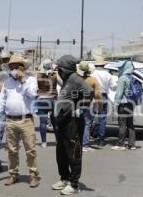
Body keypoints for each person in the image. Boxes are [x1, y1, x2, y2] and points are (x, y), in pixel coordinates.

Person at [0, 54, 40, 187]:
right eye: (11, 67)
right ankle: (13, 174)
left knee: (30, 149)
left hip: (26, 120)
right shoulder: (7, 83)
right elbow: (2, 101)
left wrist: (23, 81)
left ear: (22, 68)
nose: (13, 70)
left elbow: (33, 95)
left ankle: (33, 175)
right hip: (10, 121)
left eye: (16, 67)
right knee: (12, 150)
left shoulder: (30, 80)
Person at [52, 55, 93, 195]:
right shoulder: (66, 79)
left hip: (72, 122)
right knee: (61, 152)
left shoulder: (75, 78)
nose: (59, 71)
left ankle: (74, 184)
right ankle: (64, 178)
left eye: (60, 68)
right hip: (62, 121)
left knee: (73, 152)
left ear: (66, 68)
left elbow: (90, 92)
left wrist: (79, 108)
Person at [76, 61, 102, 152]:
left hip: (76, 105)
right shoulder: (93, 80)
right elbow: (98, 95)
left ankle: (77, 143)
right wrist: (100, 105)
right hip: (87, 105)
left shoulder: (75, 79)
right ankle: (85, 145)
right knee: (87, 124)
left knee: (77, 123)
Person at [111, 61, 137, 151]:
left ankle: (120, 144)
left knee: (122, 124)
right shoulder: (132, 77)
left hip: (123, 104)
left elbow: (119, 94)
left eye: (120, 68)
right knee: (130, 124)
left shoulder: (122, 78)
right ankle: (132, 144)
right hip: (131, 104)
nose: (119, 69)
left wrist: (115, 106)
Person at [91, 60, 117, 147]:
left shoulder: (92, 74)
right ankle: (101, 140)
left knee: (91, 118)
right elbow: (113, 87)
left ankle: (88, 139)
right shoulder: (108, 75)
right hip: (104, 96)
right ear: (103, 65)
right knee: (102, 119)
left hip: (94, 96)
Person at [36, 59, 58, 148]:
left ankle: (44, 142)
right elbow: (62, 84)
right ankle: (57, 141)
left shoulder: (38, 76)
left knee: (42, 122)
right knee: (55, 122)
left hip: (42, 99)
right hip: (53, 99)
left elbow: (34, 87)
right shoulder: (55, 76)